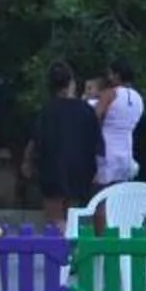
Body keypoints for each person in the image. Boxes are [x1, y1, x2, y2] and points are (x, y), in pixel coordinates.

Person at [25, 60, 103, 226]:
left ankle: (60, 245)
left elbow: (36, 139)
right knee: (72, 214)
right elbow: (97, 141)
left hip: (52, 167)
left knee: (54, 215)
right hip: (81, 168)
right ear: (72, 83)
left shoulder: (47, 110)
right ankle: (71, 245)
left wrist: (27, 162)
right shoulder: (86, 110)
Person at [96, 58, 144, 188]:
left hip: (106, 147)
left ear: (116, 75)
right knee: (119, 192)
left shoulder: (110, 94)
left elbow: (95, 118)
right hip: (127, 148)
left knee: (101, 193)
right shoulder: (138, 98)